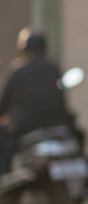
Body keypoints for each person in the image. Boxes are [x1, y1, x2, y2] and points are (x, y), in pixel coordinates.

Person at [0, 29, 72, 172]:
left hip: (24, 127)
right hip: (55, 124)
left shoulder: (17, 71)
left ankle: (4, 181)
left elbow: (3, 102)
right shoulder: (53, 69)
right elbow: (61, 98)